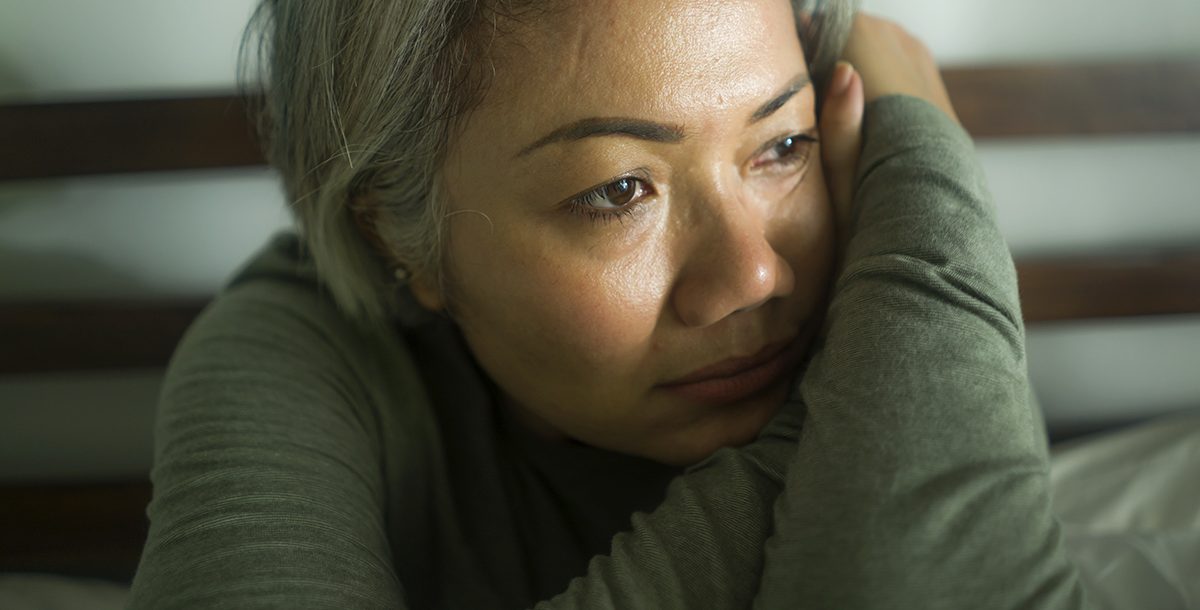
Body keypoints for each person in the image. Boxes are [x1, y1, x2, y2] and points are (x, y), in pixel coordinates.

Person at [128, 0, 1088, 607]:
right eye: (617, 190)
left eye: (784, 146)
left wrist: (914, 170)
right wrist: (917, 275)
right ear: (397, 235)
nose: (755, 276)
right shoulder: (300, 348)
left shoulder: (866, 258)